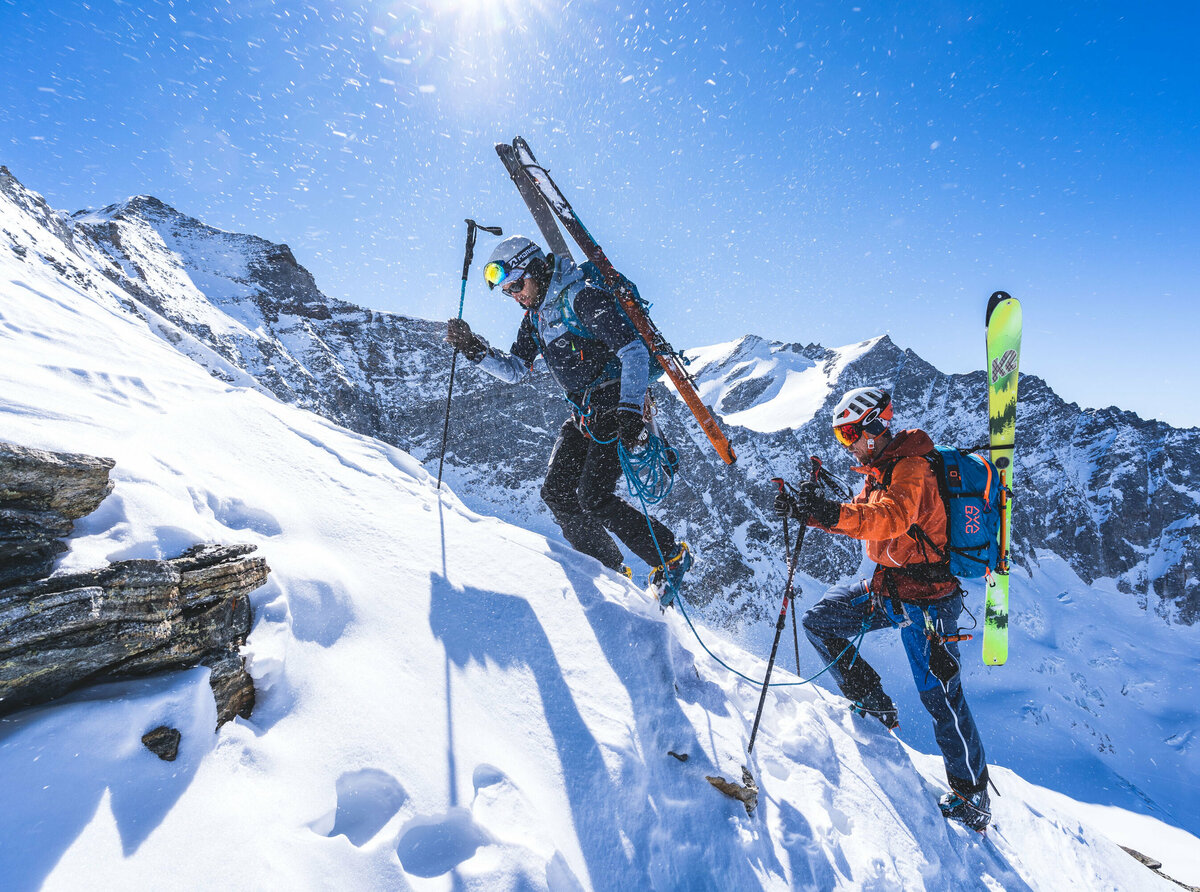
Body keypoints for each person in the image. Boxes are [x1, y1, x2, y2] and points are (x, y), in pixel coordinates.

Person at [774, 386, 993, 832]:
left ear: (874, 426)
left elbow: (889, 518)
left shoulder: (910, 468)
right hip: (890, 591)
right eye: (840, 436)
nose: (847, 442)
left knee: (941, 698)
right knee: (821, 621)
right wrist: (812, 512)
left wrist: (831, 513)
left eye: (850, 432)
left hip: (930, 605)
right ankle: (874, 705)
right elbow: (866, 511)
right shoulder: (882, 469)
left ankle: (973, 799)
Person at [445, 236, 692, 604]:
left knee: (594, 496)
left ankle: (671, 557)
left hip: (615, 405)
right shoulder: (536, 318)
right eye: (508, 291)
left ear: (536, 270)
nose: (515, 295)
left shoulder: (581, 298)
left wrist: (628, 411)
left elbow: (633, 350)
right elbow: (516, 370)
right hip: (585, 414)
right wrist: (475, 350)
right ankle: (610, 570)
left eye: (516, 285)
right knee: (557, 493)